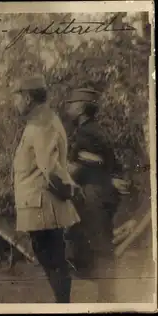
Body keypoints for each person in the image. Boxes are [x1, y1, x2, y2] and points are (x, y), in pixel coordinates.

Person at [11, 75, 81, 303]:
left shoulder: (41, 125)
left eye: (18, 98)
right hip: (41, 205)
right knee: (52, 261)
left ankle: (63, 305)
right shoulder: (41, 121)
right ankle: (62, 303)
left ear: (29, 98)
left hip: (43, 207)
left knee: (52, 261)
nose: (16, 103)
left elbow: (50, 169)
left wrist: (68, 191)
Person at [64, 88, 122, 303]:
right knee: (94, 243)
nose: (68, 107)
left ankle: (107, 298)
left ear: (80, 108)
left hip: (94, 194)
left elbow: (78, 168)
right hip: (101, 193)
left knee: (101, 246)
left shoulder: (85, 133)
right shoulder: (96, 130)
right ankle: (105, 293)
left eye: (71, 104)